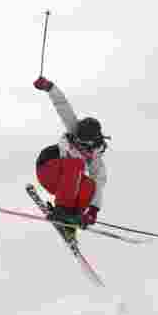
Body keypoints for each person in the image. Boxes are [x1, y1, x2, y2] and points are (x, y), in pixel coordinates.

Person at [33, 76, 110, 236]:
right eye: (77, 140)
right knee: (77, 165)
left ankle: (70, 220)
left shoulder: (96, 160)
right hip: (48, 166)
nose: (78, 144)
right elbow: (63, 106)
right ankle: (62, 210)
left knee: (89, 184)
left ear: (92, 143)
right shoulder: (73, 128)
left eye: (82, 144)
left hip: (63, 184)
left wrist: (93, 210)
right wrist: (49, 87)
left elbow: (98, 185)